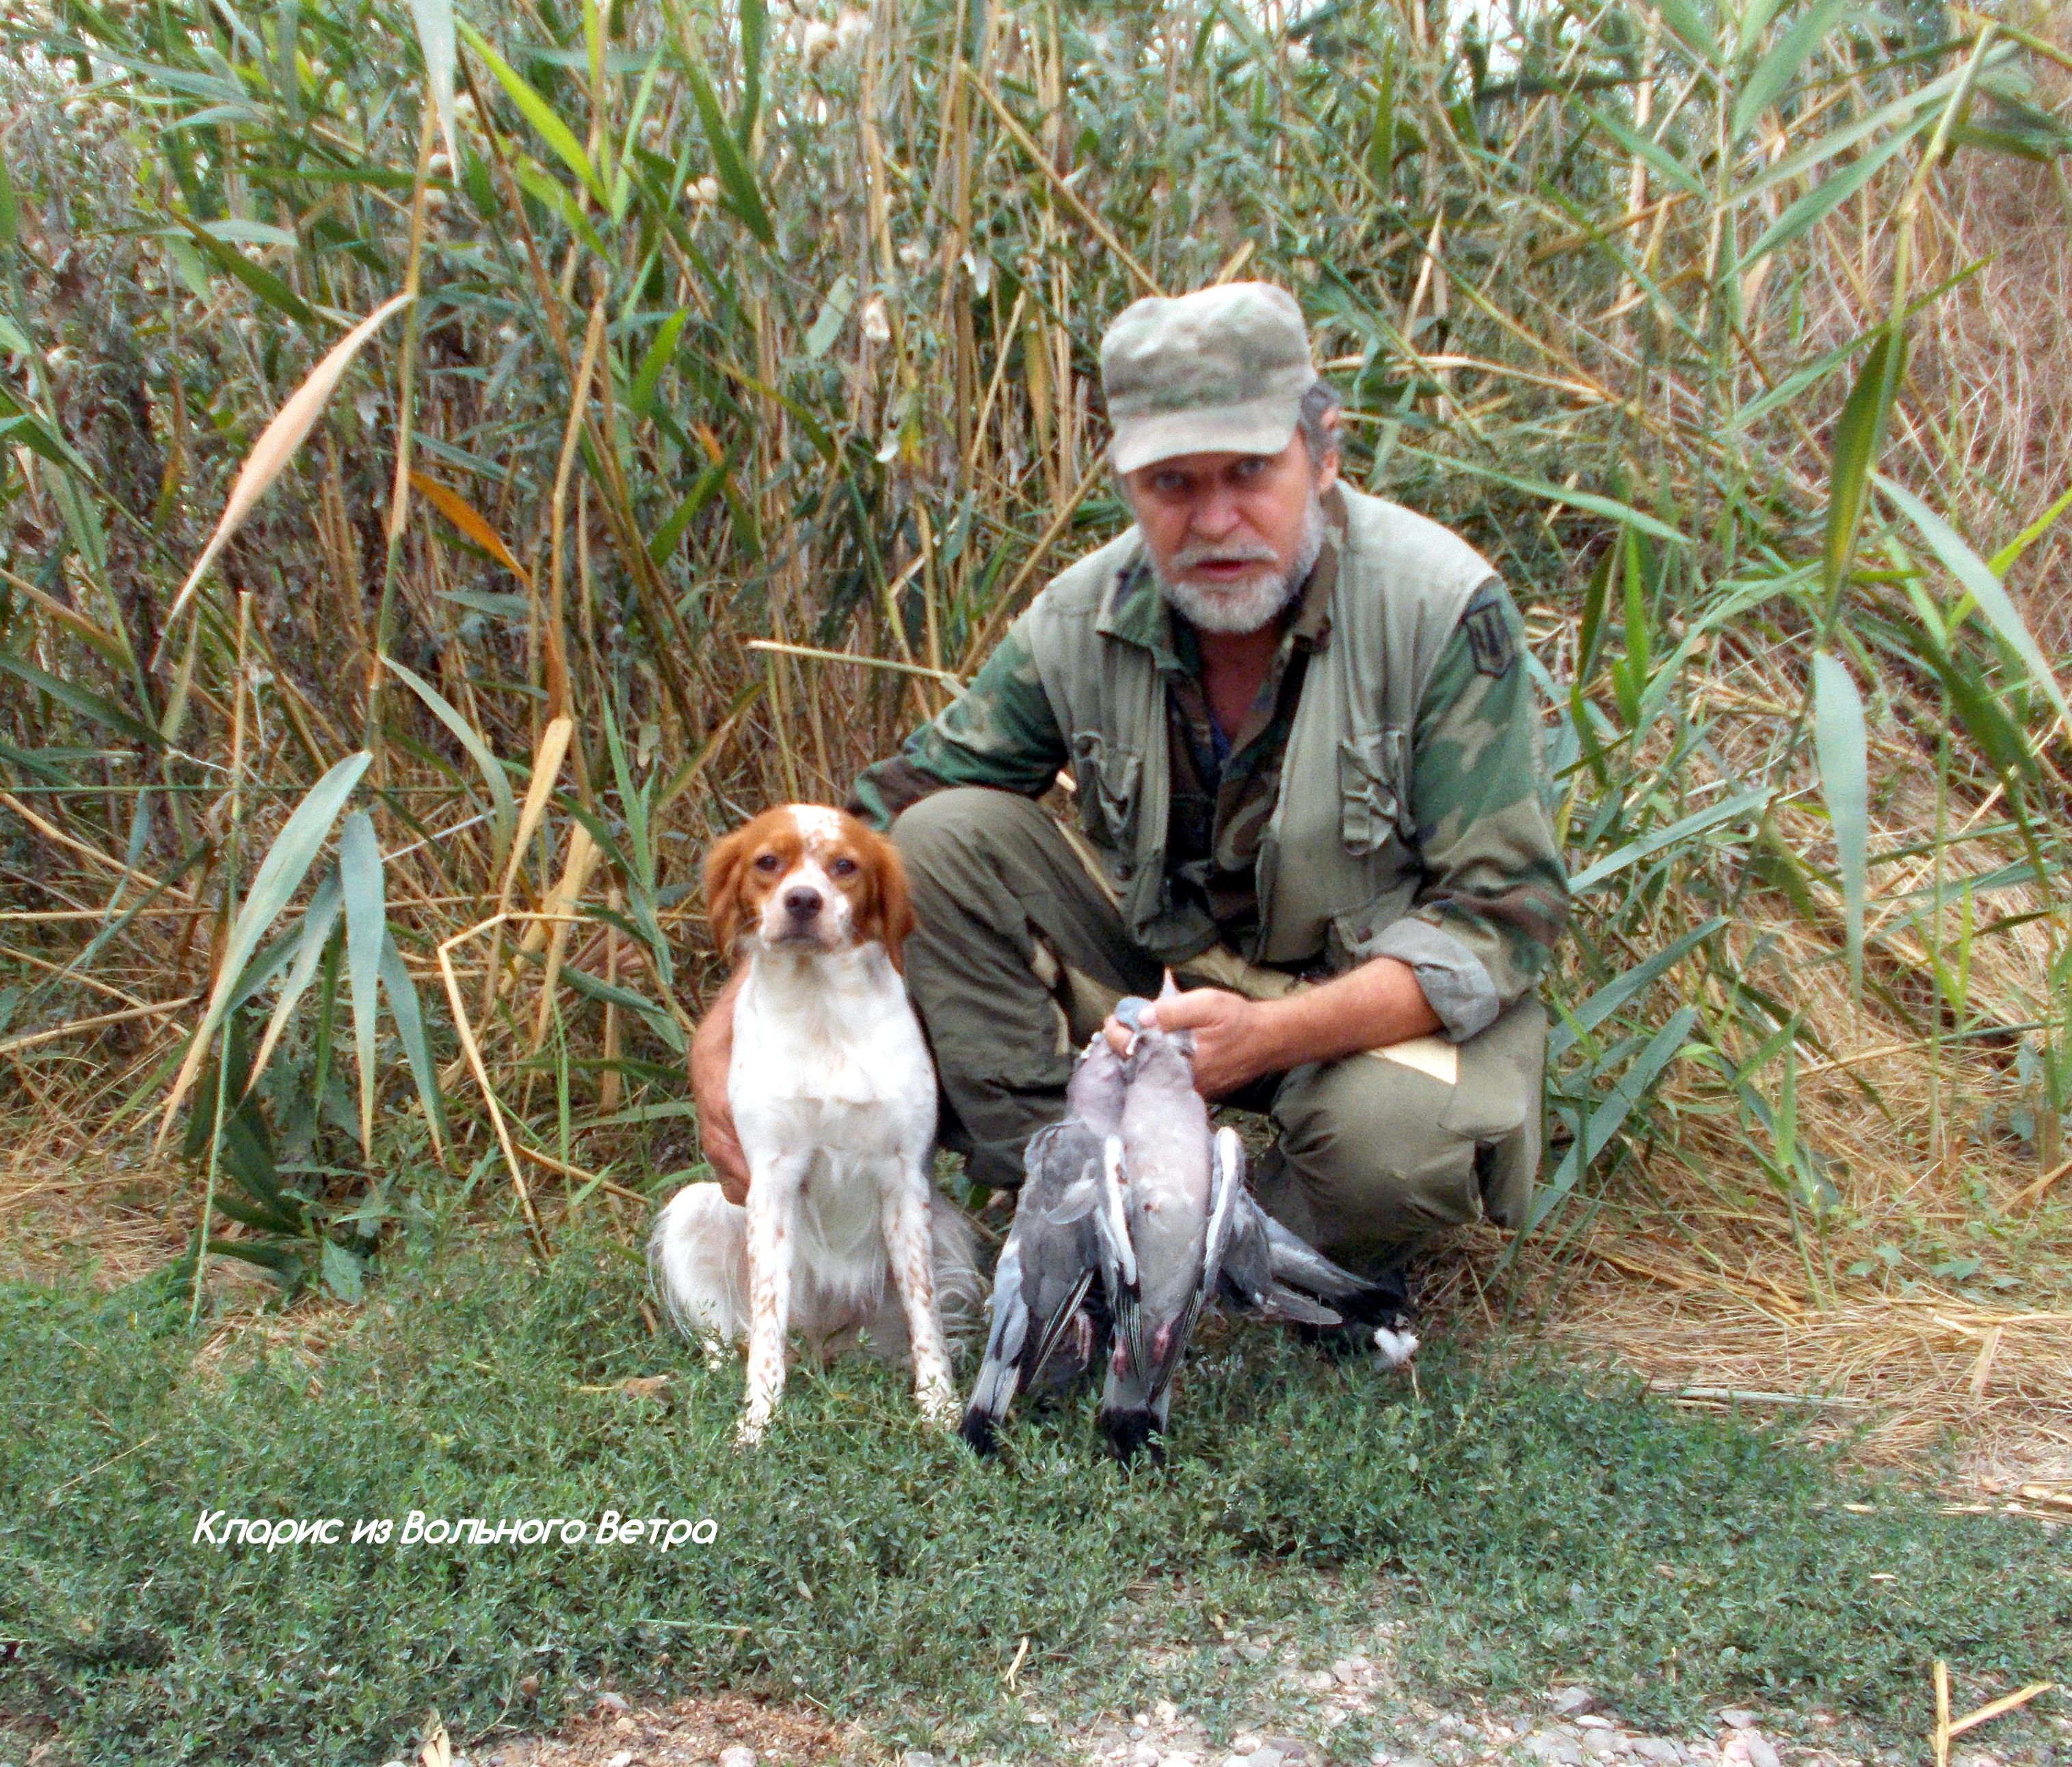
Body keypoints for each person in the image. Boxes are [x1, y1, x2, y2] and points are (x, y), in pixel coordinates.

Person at [691, 281, 1568, 1328]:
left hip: (1364, 1008)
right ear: (1126, 484)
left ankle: (1253, 1252)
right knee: (937, 839)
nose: (1213, 521)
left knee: (1389, 1150)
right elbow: (883, 816)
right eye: (1170, 484)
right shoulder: (1081, 615)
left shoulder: (1437, 608)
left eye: (1249, 472)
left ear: (1323, 452)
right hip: (1164, 988)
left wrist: (1270, 1035)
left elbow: (1500, 917)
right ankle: (1070, 1215)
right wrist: (731, 1018)